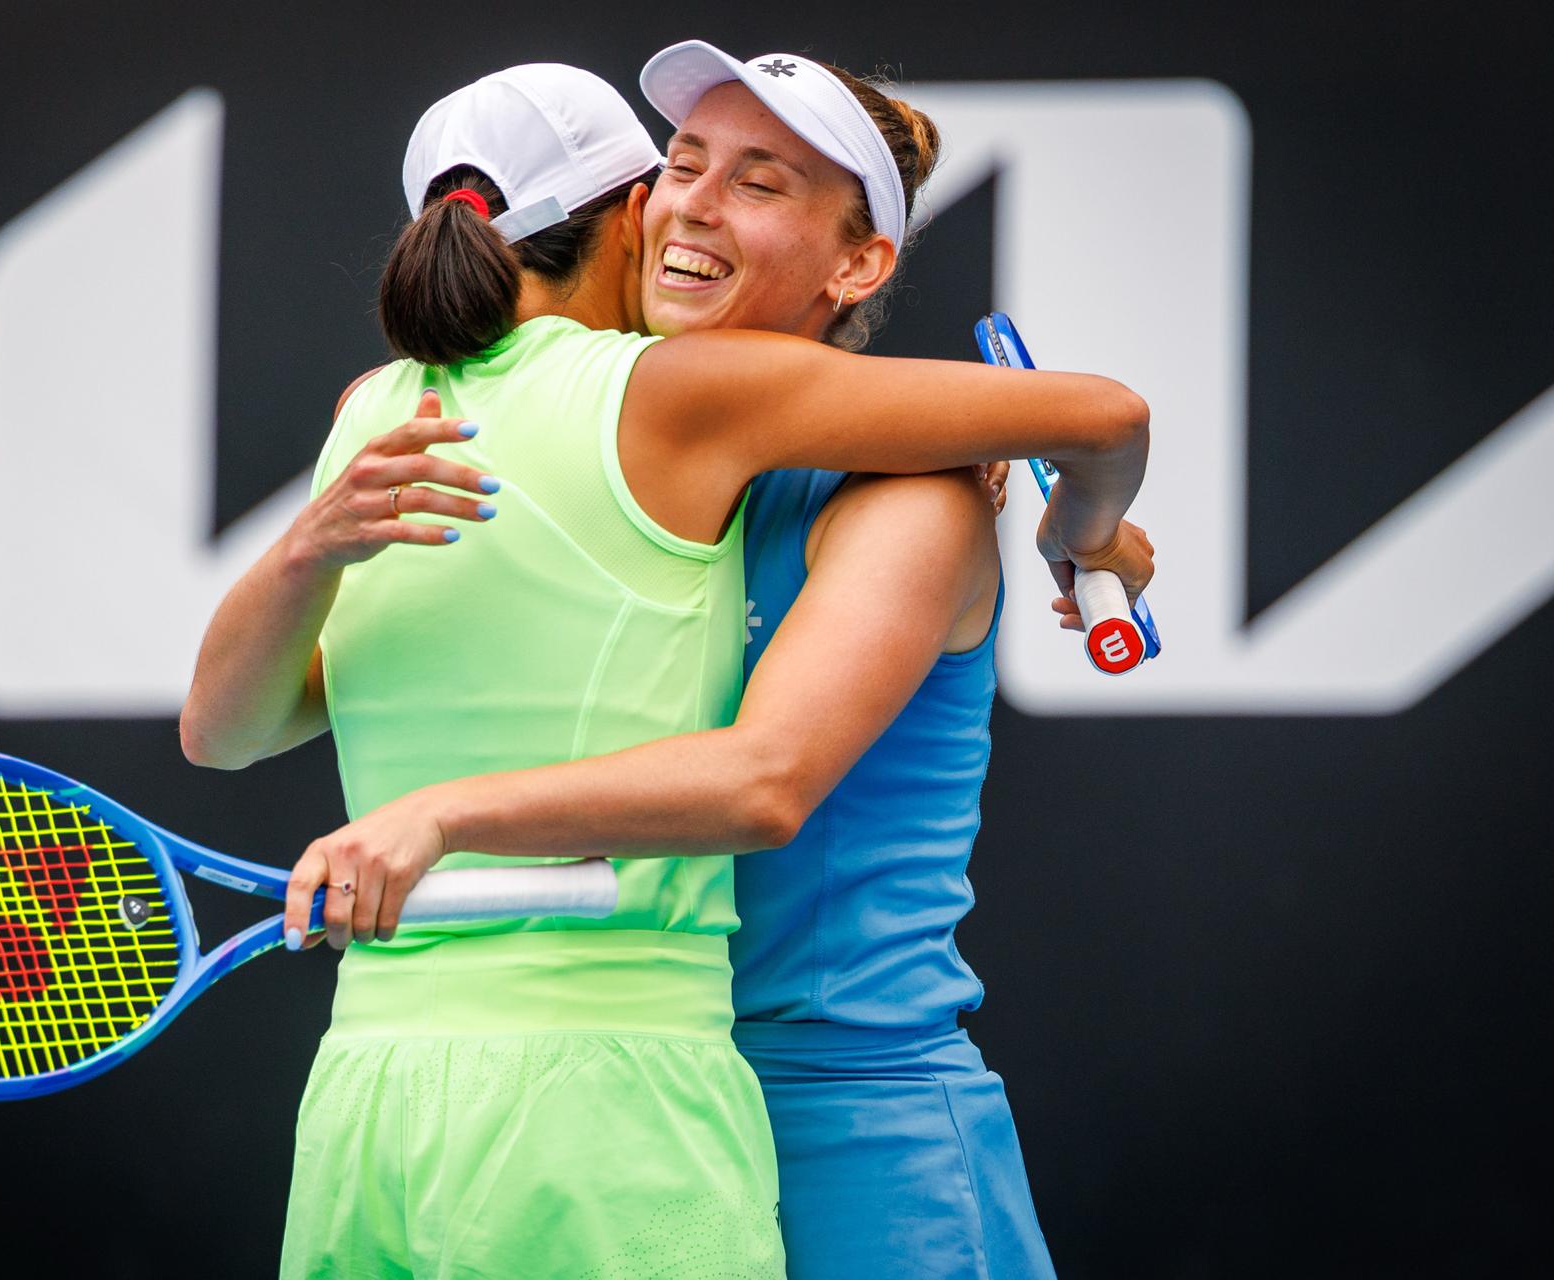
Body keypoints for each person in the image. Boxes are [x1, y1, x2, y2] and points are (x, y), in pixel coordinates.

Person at [182, 59, 1148, 1278]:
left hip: (856, 1131)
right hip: (643, 1100)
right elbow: (235, 719)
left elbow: (765, 779)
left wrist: (1085, 529)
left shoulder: (916, 492)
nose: (693, 203)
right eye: (681, 166)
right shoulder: (593, 447)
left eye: (759, 183)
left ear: (857, 264)